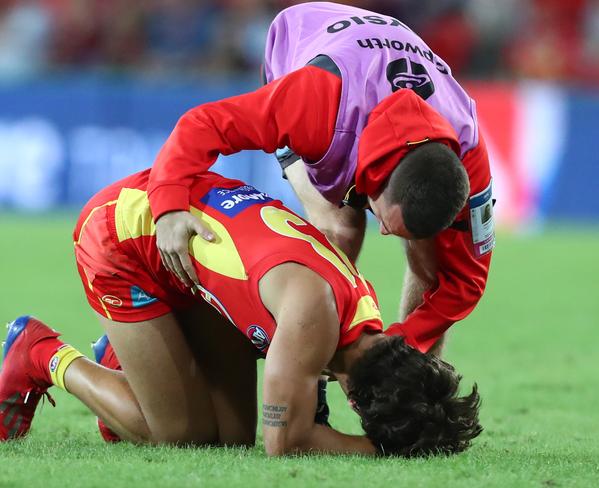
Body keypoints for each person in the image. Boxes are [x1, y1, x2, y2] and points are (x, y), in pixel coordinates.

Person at [0, 169, 481, 457]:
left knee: (229, 438)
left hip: (194, 257)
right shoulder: (313, 320)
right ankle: (40, 353)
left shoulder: (361, 315)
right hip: (126, 237)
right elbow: (284, 442)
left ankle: (125, 366)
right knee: (180, 437)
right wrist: (380, 450)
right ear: (355, 399)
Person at [148, 2, 494, 358]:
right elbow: (204, 124)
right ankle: (310, 375)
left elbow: (465, 282)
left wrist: (402, 342)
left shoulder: (467, 151)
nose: (385, 234)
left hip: (376, 68)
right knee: (340, 228)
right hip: (305, 45)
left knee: (432, 263)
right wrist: (168, 207)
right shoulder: (314, 104)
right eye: (388, 224)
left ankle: (410, 382)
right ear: (372, 182)